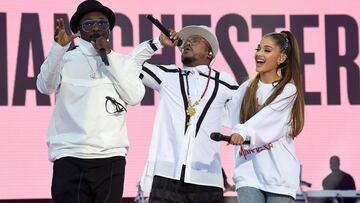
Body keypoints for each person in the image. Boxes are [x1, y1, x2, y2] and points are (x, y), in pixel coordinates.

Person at [36, 0, 145, 202]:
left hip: (111, 157)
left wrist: (110, 58)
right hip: (70, 156)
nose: (96, 27)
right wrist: (58, 49)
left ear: (109, 29)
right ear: (78, 29)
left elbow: (134, 97)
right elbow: (45, 87)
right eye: (88, 24)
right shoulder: (65, 59)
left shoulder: (123, 61)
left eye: (102, 23)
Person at [130, 25, 239, 202]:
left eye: (195, 40)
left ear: (209, 52)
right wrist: (158, 43)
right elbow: (130, 65)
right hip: (166, 176)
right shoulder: (168, 74)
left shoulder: (224, 82)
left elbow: (247, 111)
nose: (188, 42)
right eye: (186, 41)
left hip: (206, 179)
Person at [229, 31, 305, 203]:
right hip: (247, 172)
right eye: (258, 49)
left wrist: (243, 132)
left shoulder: (288, 90)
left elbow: (268, 116)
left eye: (267, 50)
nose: (259, 54)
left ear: (281, 58)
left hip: (278, 176)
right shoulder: (246, 87)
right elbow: (227, 112)